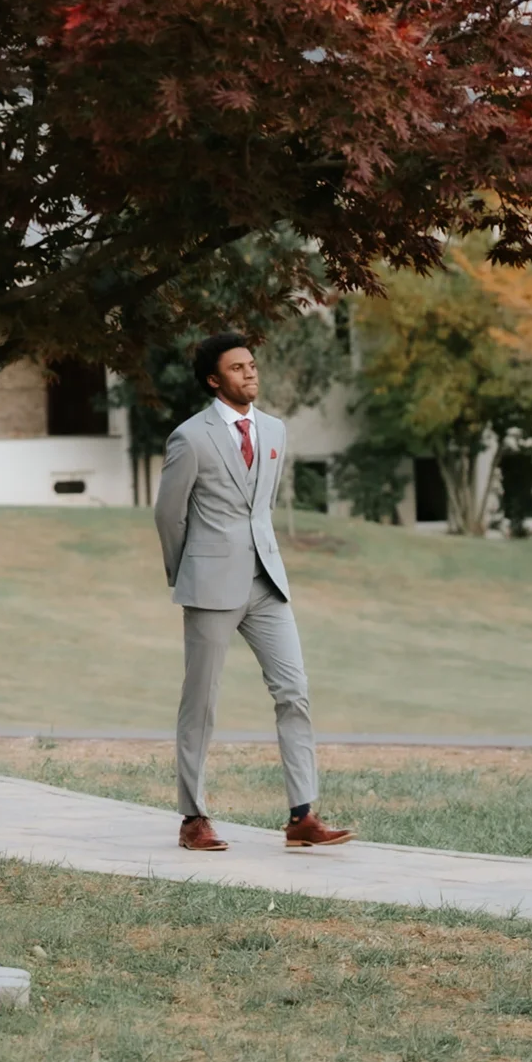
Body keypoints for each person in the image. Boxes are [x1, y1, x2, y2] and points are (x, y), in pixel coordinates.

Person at [153, 333, 353, 853]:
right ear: (214, 379)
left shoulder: (274, 431)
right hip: (209, 586)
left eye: (253, 365)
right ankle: (193, 818)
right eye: (238, 367)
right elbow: (167, 513)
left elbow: (258, 507)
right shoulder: (189, 438)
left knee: (295, 691)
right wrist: (185, 573)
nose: (250, 373)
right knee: (201, 703)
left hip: (267, 583)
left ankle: (302, 814)